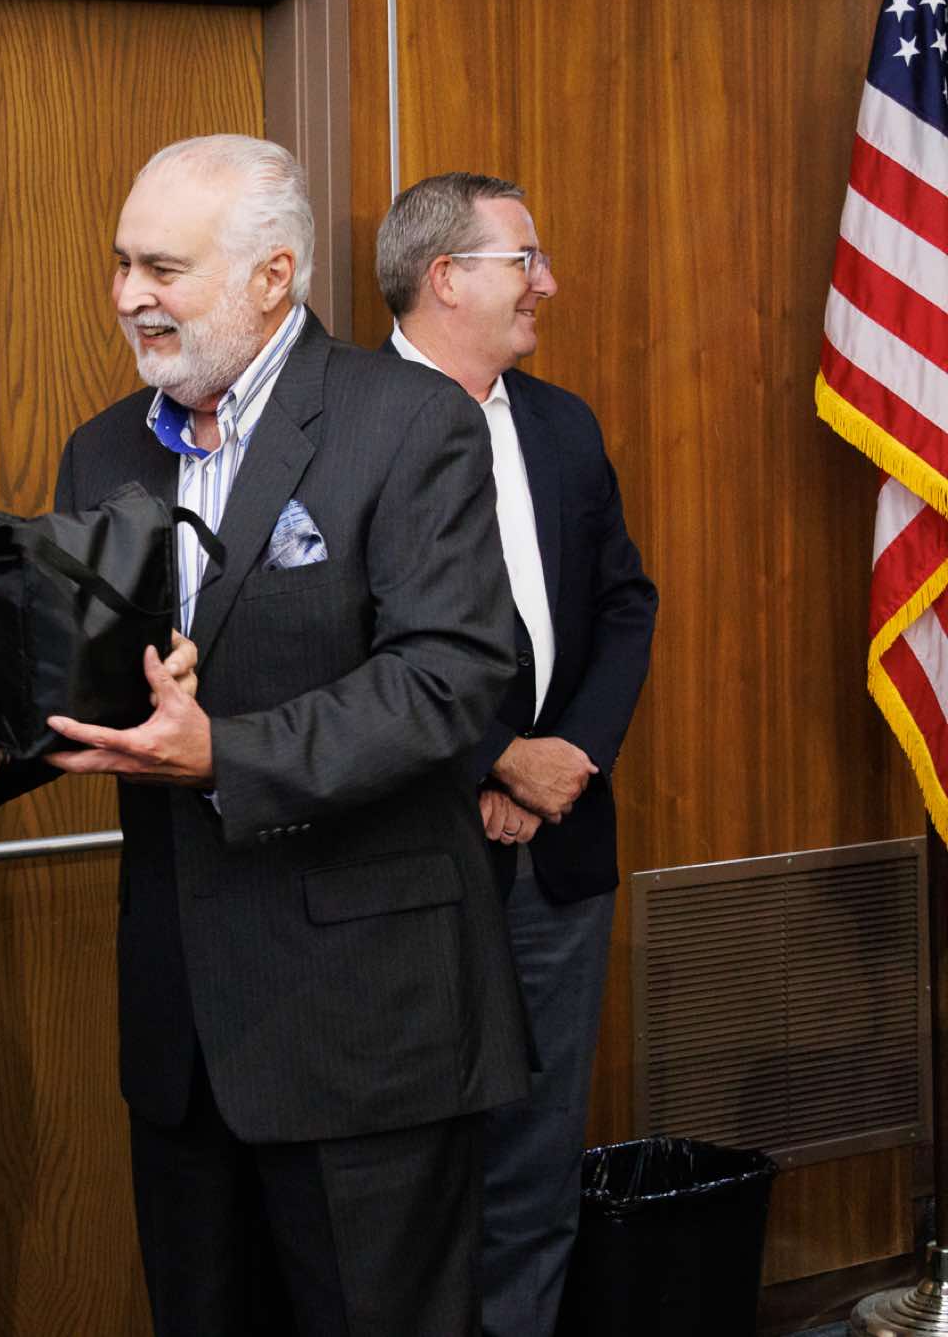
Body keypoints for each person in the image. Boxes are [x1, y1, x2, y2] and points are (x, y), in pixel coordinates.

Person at [34, 135, 533, 1336]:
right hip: (182, 1045)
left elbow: (450, 678)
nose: (128, 296)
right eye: (120, 264)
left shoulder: (405, 422)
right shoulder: (101, 450)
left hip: (365, 1034)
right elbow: (92, 683)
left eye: (162, 268)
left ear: (271, 277)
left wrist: (228, 754)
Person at [377, 172, 657, 1337]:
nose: (546, 282)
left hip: (555, 855)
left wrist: (564, 760)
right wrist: (493, 761)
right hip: (405, 865)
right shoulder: (342, 425)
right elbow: (337, 649)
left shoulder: (558, 424)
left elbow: (624, 604)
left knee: (535, 1175)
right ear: (446, 277)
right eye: (522, 260)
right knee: (409, 1182)